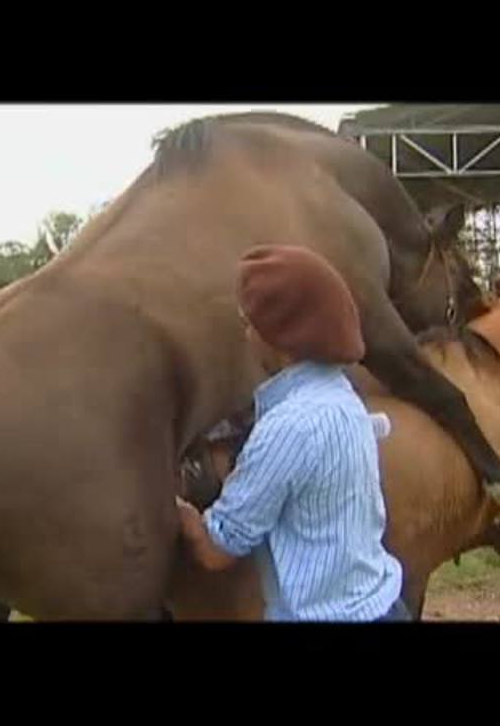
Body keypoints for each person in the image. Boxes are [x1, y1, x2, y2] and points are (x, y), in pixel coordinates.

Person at [175, 244, 411, 622]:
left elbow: (216, 550)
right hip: (382, 605)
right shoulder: (345, 399)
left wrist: (177, 509)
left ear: (281, 336)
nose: (248, 335)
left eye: (250, 324)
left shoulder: (287, 428)